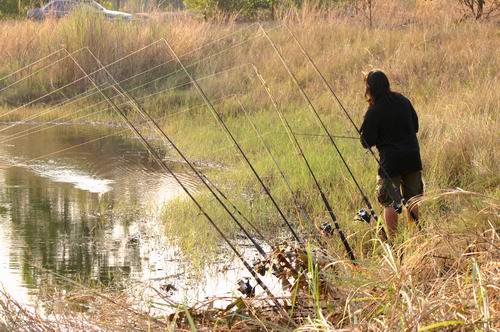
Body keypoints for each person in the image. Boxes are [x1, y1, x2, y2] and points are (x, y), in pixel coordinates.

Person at [360, 70, 423, 236]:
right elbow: (415, 126)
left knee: (390, 203)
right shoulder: (403, 100)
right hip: (412, 158)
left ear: (370, 88)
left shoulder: (374, 110)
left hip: (391, 163)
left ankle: (393, 240)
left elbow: (365, 141)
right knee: (413, 199)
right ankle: (415, 238)